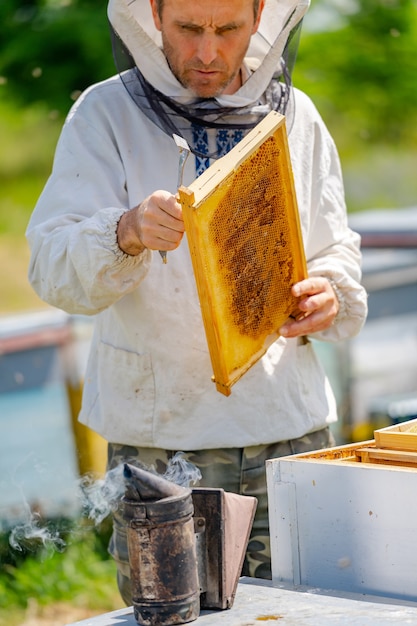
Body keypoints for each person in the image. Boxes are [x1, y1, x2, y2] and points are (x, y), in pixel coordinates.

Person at [26, 0, 368, 602]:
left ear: (260, 16)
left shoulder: (299, 115)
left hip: (290, 437)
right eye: (188, 28)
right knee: (172, 617)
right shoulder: (103, 115)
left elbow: (335, 248)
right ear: (153, 14)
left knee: (308, 613)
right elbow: (50, 269)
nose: (207, 53)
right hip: (162, 445)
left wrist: (328, 293)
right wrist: (123, 231)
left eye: (228, 29)